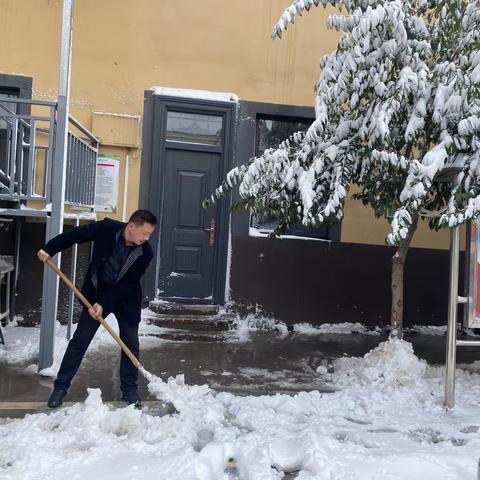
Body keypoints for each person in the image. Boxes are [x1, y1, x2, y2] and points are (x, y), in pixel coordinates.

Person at [37, 209, 157, 409]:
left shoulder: (145, 253)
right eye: (144, 233)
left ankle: (129, 390)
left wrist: (104, 304)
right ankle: (60, 387)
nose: (146, 238)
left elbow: (127, 284)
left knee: (130, 343)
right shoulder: (106, 229)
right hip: (94, 295)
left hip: (125, 298)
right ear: (131, 226)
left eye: (149, 235)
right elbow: (74, 236)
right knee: (80, 340)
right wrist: (49, 248)